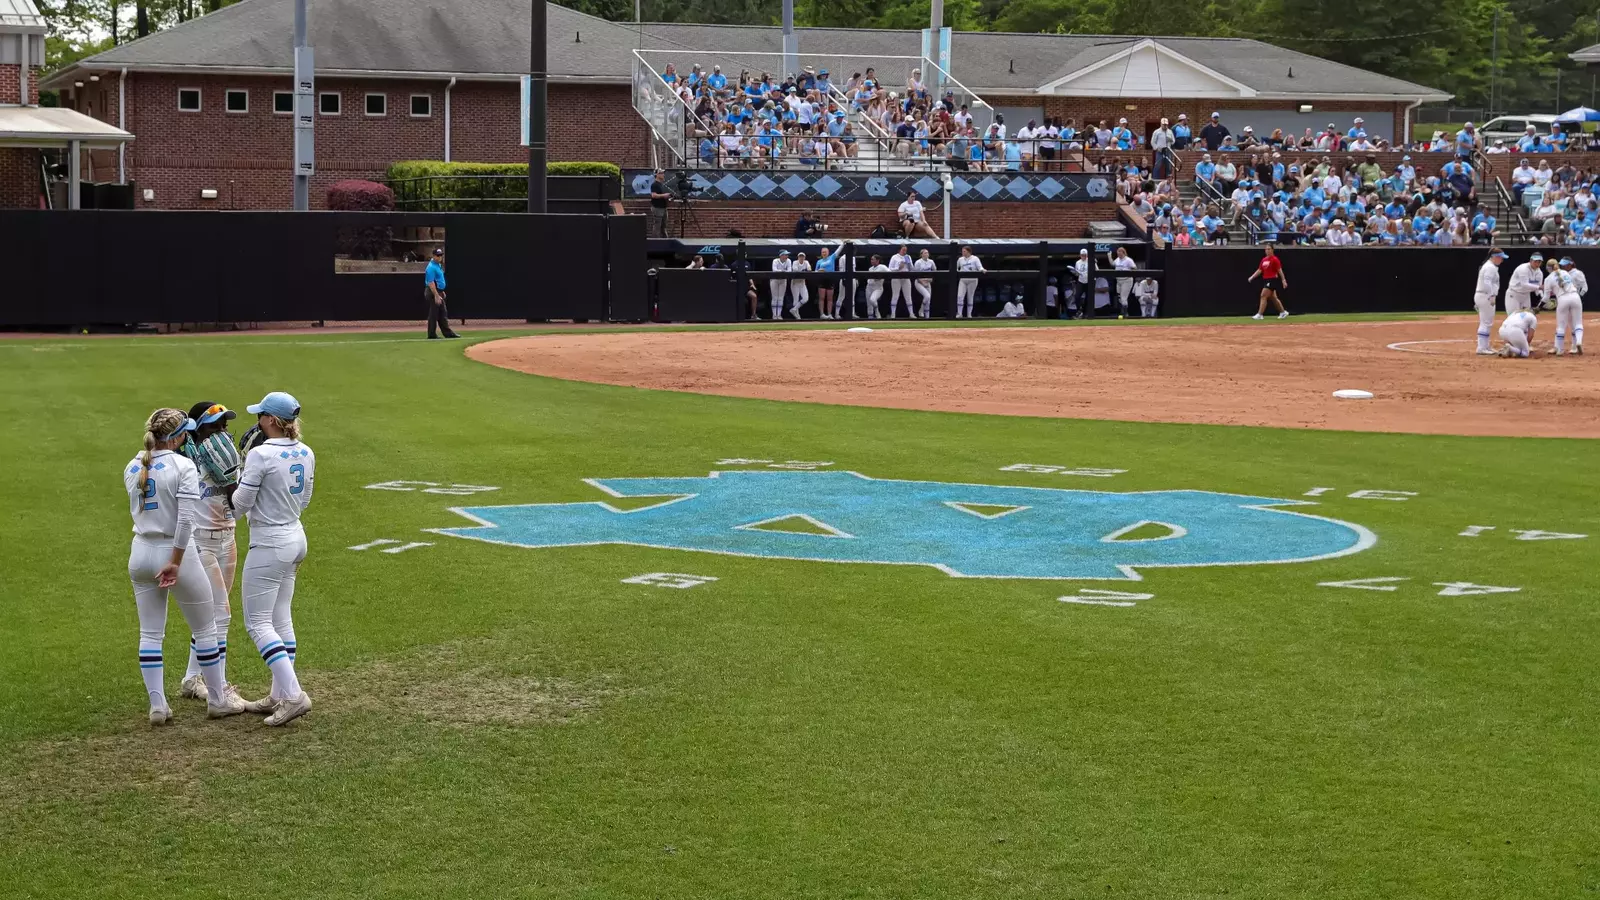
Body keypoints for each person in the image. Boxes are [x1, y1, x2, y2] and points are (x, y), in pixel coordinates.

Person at [123, 408, 248, 726]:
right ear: (177, 436)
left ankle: (158, 706)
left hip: (140, 551)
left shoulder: (132, 465)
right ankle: (218, 699)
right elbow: (185, 520)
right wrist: (176, 562)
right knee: (207, 626)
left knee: (150, 633)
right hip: (174, 551)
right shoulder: (182, 465)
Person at [232, 391, 315, 727]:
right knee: (281, 620)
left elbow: (239, 505)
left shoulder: (261, 455)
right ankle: (280, 693)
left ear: (270, 420)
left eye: (260, 415)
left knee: (258, 623)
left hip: (269, 543)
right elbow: (306, 498)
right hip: (296, 536)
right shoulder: (306, 451)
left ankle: (294, 695)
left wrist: (234, 482)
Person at [175, 401, 245, 704]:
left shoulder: (227, 459)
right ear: (198, 429)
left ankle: (193, 679)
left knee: (212, 616)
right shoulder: (186, 464)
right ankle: (221, 687)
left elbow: (239, 506)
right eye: (215, 426)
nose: (222, 431)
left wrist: (233, 477)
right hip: (200, 543)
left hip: (228, 539)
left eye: (225, 425)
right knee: (221, 614)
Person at [1471, 248, 1507, 354]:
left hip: (1484, 295)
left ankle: (1485, 346)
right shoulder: (1490, 267)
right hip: (1485, 296)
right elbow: (1487, 282)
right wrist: (1491, 295)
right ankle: (1482, 348)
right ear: (1494, 257)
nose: (1502, 260)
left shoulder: (1490, 267)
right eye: (1500, 258)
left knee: (1486, 322)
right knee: (1486, 322)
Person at [1246, 244, 1289, 320]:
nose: (1267, 251)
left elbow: (1280, 270)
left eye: (1269, 249)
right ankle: (1283, 312)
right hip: (1266, 279)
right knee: (1273, 298)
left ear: (1272, 250)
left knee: (1263, 295)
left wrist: (1283, 280)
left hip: (1272, 280)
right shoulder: (1264, 260)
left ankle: (1260, 314)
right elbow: (1260, 270)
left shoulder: (1275, 259)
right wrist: (1252, 277)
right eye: (1266, 249)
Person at [1553, 258, 1586, 355]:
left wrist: (1579, 295)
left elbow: (1584, 287)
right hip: (1570, 299)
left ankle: (1573, 346)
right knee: (1570, 324)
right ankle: (1567, 346)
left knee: (1569, 324)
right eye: (1562, 264)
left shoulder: (1578, 273)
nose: (1563, 266)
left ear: (1571, 264)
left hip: (1572, 298)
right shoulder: (1562, 273)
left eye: (1565, 264)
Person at [424, 248, 459, 340]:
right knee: (434, 314)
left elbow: (438, 280)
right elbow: (431, 282)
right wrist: (436, 295)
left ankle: (448, 333)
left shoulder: (438, 265)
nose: (440, 257)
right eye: (438, 255)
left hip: (438, 291)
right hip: (432, 292)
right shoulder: (431, 267)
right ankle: (432, 334)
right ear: (434, 256)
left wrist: (442, 291)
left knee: (442, 313)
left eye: (441, 255)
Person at [955, 246, 983, 318]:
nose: (962, 252)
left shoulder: (975, 258)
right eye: (962, 251)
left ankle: (969, 314)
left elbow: (980, 267)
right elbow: (955, 268)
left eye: (964, 251)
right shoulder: (960, 259)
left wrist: (982, 270)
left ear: (969, 252)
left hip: (972, 280)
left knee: (970, 296)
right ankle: (959, 313)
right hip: (963, 279)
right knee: (960, 296)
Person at [1109, 246, 1137, 318]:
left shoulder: (1128, 260)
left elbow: (1134, 268)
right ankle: (1122, 311)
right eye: (1118, 253)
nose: (1119, 255)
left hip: (1126, 280)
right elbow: (1113, 264)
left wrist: (1127, 270)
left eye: (1120, 253)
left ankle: (1125, 313)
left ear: (1123, 253)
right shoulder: (1117, 259)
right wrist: (1109, 257)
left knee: (1123, 298)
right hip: (1119, 281)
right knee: (1119, 297)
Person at [887, 244, 913, 318]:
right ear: (899, 250)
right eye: (903, 250)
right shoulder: (894, 257)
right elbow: (889, 269)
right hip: (896, 277)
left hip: (906, 277)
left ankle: (911, 313)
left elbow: (912, 269)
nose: (905, 251)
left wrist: (909, 264)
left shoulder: (908, 257)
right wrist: (898, 267)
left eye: (906, 250)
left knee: (908, 296)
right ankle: (893, 314)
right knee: (895, 295)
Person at [911, 249, 937, 319]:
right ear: (921, 254)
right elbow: (915, 274)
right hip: (919, 282)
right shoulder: (918, 262)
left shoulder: (931, 261)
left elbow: (935, 271)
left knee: (928, 300)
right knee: (927, 296)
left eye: (927, 253)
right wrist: (922, 281)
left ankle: (927, 317)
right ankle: (921, 311)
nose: (927, 254)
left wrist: (931, 279)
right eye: (925, 253)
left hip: (928, 281)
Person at [815, 245, 838, 320]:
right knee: (821, 298)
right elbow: (815, 271)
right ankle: (822, 314)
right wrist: (819, 271)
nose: (824, 253)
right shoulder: (819, 261)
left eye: (825, 252)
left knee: (830, 298)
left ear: (828, 253)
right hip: (822, 279)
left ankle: (829, 314)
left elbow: (838, 251)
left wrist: (843, 243)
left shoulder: (831, 258)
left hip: (830, 279)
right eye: (822, 252)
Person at [768, 250, 791, 321]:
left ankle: (779, 315)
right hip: (774, 280)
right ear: (781, 255)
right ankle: (774, 316)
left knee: (781, 298)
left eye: (787, 255)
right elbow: (774, 270)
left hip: (783, 280)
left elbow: (789, 270)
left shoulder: (788, 261)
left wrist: (782, 271)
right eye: (785, 255)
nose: (787, 256)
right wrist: (783, 271)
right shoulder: (775, 261)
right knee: (775, 298)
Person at [788, 251, 811, 320]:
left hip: (802, 282)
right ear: (798, 257)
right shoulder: (795, 262)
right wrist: (805, 271)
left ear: (804, 257)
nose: (801, 258)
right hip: (795, 282)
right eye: (800, 256)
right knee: (796, 299)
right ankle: (797, 317)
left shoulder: (806, 262)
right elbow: (796, 270)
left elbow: (809, 269)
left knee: (806, 298)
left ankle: (794, 309)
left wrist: (807, 270)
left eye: (802, 256)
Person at [863, 254, 888, 319]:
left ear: (877, 260)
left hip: (878, 287)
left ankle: (877, 313)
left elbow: (889, 273)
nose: (871, 261)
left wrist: (881, 277)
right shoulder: (870, 268)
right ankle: (870, 319)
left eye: (873, 259)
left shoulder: (882, 267)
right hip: (869, 287)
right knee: (869, 305)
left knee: (872, 299)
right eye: (871, 259)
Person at [648, 169, 671, 238]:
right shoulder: (654, 185)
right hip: (657, 208)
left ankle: (665, 241)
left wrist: (668, 197)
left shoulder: (661, 184)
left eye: (663, 173)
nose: (663, 174)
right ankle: (655, 242)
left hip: (663, 208)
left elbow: (661, 195)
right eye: (661, 173)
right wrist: (664, 195)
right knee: (657, 226)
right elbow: (653, 195)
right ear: (657, 175)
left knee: (664, 226)